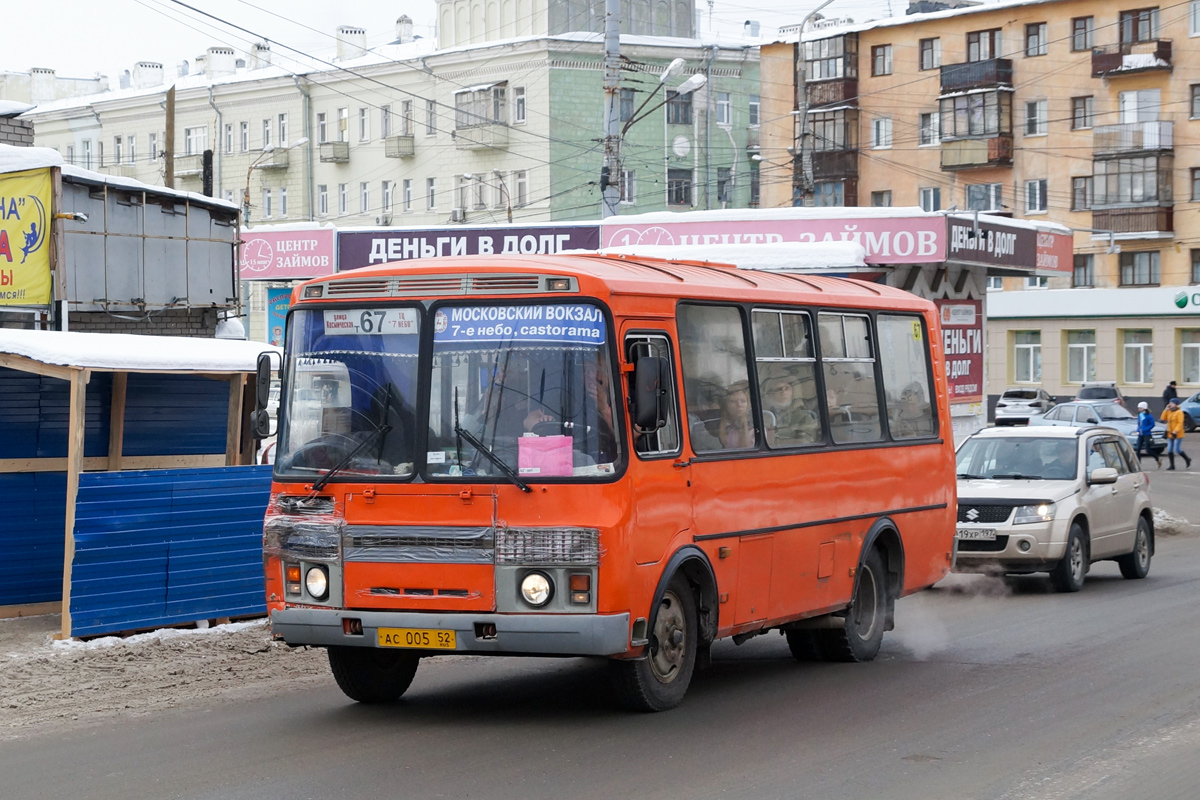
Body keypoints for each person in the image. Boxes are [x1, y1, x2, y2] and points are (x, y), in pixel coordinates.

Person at [761, 375, 819, 446]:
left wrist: (775, 442)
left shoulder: (804, 417)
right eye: (779, 389)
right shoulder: (763, 416)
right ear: (771, 394)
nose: (783, 392)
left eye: (787, 388)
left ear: (793, 392)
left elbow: (805, 442)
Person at [717, 380, 755, 449]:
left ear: (748, 404)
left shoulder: (755, 426)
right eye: (733, 401)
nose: (739, 405)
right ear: (727, 405)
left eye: (743, 401)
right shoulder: (717, 425)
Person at [1160, 398, 1192, 470]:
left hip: (1177, 434)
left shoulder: (1179, 412)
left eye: (1172, 403)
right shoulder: (1169, 411)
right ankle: (1172, 465)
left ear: (1176, 404)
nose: (1170, 404)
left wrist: (1175, 430)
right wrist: (1165, 410)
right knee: (1170, 449)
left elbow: (1180, 423)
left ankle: (1187, 459)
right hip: (1169, 433)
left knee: (1177, 449)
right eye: (1170, 402)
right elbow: (1162, 418)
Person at [1135, 401, 1161, 469]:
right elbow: (1139, 424)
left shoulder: (1148, 416)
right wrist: (1138, 429)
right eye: (1138, 408)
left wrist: (1146, 429)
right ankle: (1138, 464)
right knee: (1138, 449)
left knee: (1148, 449)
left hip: (1147, 434)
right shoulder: (1140, 415)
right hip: (1140, 434)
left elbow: (1152, 424)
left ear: (1144, 408)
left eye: (1140, 408)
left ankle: (1157, 458)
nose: (1139, 409)